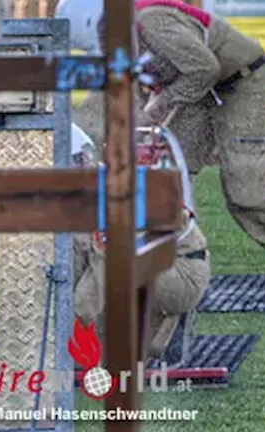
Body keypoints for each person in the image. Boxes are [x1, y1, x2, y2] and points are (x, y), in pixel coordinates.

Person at [54, 0, 265, 293]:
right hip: (207, 89)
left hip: (242, 83)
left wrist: (158, 108)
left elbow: (204, 69)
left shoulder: (151, 21)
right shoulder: (131, 28)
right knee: (165, 173)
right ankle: (174, 263)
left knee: (245, 191)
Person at [70, 124, 209, 367]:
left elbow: (99, 279)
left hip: (180, 271)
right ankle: (158, 329)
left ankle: (170, 322)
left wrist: (68, 326)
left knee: (87, 350)